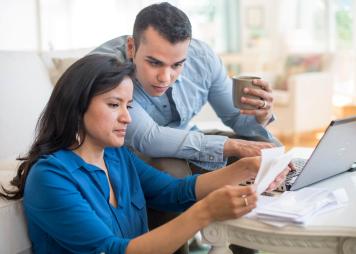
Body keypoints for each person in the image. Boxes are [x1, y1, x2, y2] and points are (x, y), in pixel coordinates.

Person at [0, 54, 288, 254]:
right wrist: (207, 211)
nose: (126, 117)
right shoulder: (51, 177)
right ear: (77, 107)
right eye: (114, 105)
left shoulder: (116, 156)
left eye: (128, 106)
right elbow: (113, 250)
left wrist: (247, 168)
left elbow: (175, 191)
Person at [91, 3, 281, 253]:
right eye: (154, 63)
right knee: (169, 167)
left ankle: (245, 245)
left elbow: (237, 120)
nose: (165, 77)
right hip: (134, 153)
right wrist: (229, 145)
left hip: (186, 139)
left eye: (177, 65)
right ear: (131, 47)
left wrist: (261, 115)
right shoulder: (107, 68)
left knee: (260, 154)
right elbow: (149, 138)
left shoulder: (202, 58)